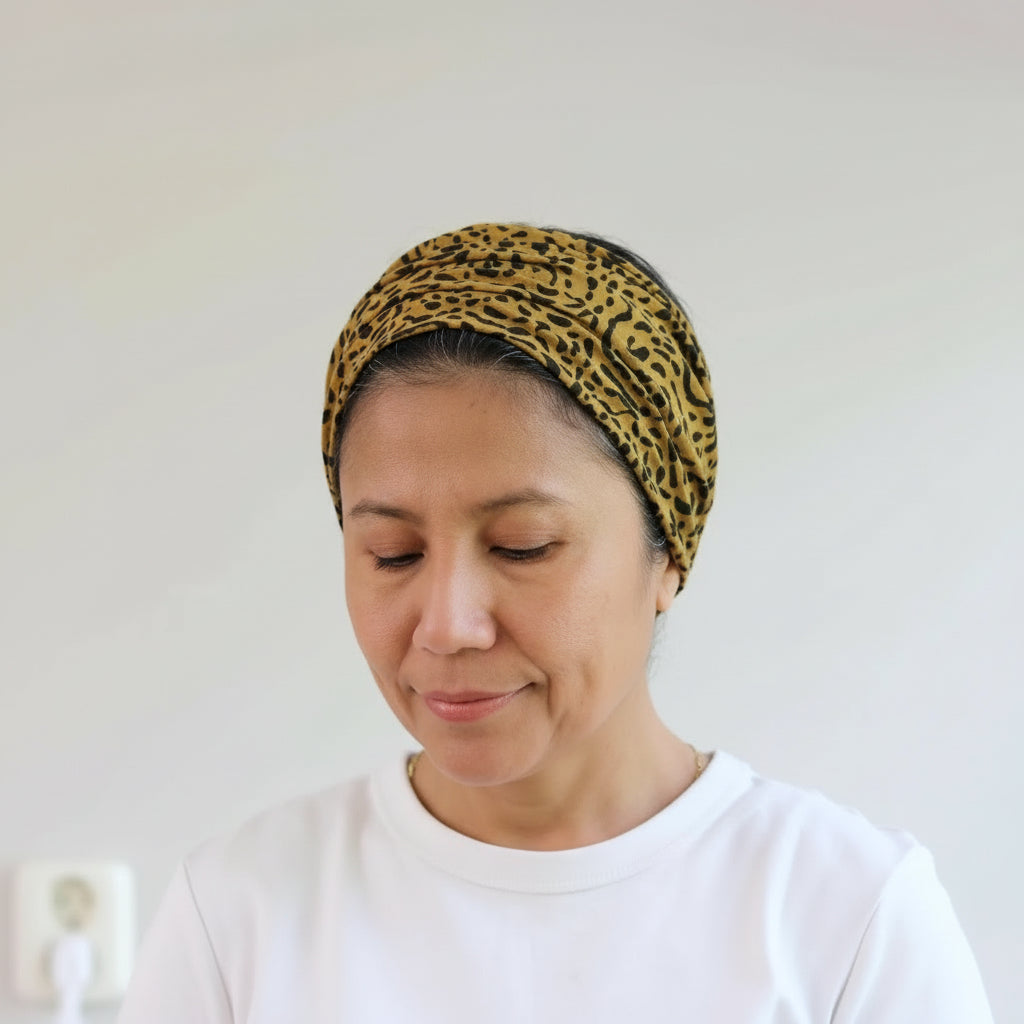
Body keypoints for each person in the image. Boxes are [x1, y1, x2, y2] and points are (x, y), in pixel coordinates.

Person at [117, 223, 993, 1022]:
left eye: (524, 547)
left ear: (668, 552)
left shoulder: (848, 917)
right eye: (391, 552)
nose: (448, 625)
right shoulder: (241, 913)